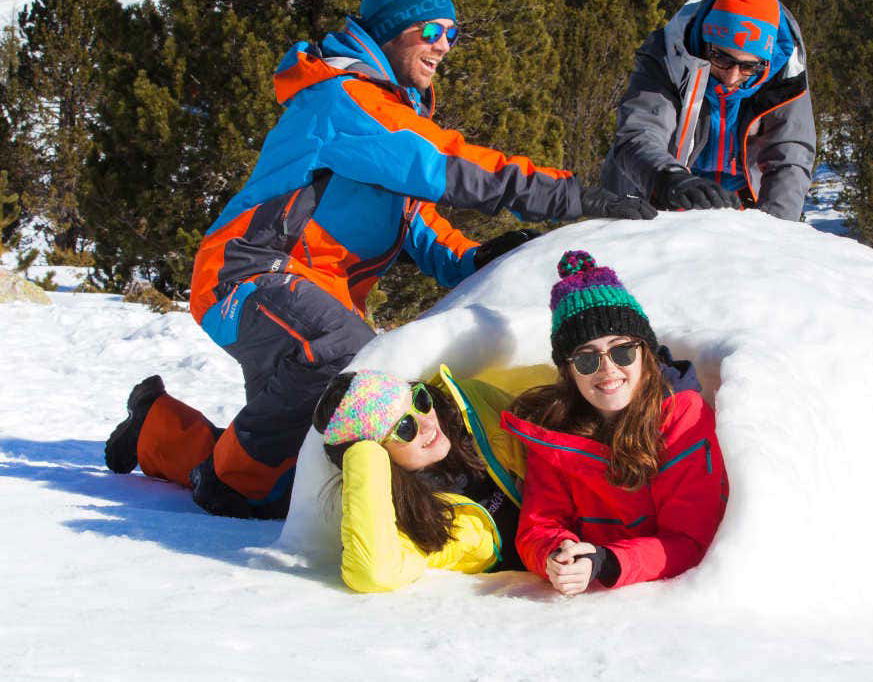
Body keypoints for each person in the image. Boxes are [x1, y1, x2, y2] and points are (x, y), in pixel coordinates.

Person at [103, 0, 655, 519]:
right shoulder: (341, 100)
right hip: (246, 273)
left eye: (453, 34)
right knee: (343, 361)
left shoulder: (388, 111)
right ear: (392, 30)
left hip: (312, 297)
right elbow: (448, 163)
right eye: (432, 31)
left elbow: (416, 223)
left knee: (295, 475)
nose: (445, 46)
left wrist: (477, 258)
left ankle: (154, 424)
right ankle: (226, 485)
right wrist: (573, 194)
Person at [503, 251, 729, 594]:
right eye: (586, 358)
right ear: (569, 370)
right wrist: (557, 554)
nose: (607, 369)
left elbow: (689, 540)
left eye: (621, 351)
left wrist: (607, 562)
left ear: (645, 353)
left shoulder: (683, 417)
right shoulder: (554, 430)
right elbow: (541, 523)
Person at [312, 366, 526, 592]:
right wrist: (364, 453)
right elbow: (375, 573)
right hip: (526, 594)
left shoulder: (472, 405)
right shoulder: (409, 524)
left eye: (419, 401)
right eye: (405, 428)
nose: (427, 423)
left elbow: (552, 426)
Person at [601, 0, 816, 221]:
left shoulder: (785, 76)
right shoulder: (669, 57)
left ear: (765, 61)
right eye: (722, 58)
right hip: (656, 189)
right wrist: (668, 178)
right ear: (705, 42)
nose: (732, 77)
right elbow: (640, 132)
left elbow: (790, 156)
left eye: (748, 66)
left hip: (744, 204)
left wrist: (774, 229)